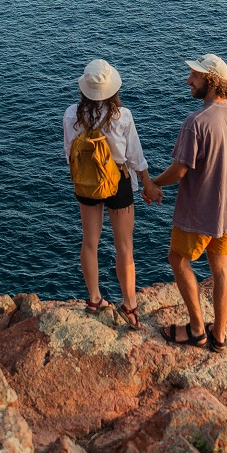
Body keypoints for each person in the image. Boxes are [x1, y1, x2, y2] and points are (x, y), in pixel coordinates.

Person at [149, 54, 227, 351]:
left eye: (194, 76)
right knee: (220, 266)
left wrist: (153, 183)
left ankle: (196, 329)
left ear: (210, 80)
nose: (188, 81)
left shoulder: (196, 122)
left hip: (199, 211)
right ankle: (219, 335)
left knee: (178, 259)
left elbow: (180, 170)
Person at [64, 59, 153, 328]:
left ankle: (94, 299)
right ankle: (130, 305)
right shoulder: (121, 116)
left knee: (89, 242)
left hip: (87, 182)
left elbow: (69, 154)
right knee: (124, 246)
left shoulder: (71, 115)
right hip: (119, 181)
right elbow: (135, 158)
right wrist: (148, 184)